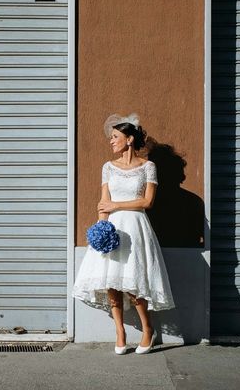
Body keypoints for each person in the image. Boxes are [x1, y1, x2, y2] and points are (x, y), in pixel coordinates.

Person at [72, 113, 175, 355]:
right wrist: (101, 229)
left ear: (129, 139)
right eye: (111, 137)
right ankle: (120, 332)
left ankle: (148, 330)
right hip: (113, 227)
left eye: (115, 136)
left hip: (136, 227)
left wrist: (116, 206)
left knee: (133, 282)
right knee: (111, 282)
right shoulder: (107, 167)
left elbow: (147, 202)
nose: (111, 141)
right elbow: (103, 202)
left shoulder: (148, 167)